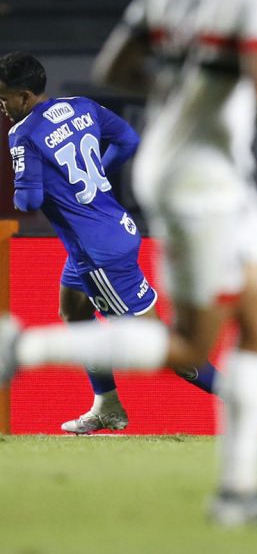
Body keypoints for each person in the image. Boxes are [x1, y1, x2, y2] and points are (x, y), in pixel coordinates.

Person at [1, 0, 257, 532]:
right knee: (188, 345)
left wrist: (181, 87)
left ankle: (236, 490)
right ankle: (22, 352)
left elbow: (114, 65)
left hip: (182, 168)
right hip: (203, 172)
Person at [0, 52, 219, 434]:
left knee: (166, 348)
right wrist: (93, 173)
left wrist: (25, 190)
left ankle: (238, 395)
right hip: (111, 226)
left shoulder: (22, 134)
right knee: (74, 309)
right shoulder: (81, 106)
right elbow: (128, 140)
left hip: (97, 253)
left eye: (3, 96)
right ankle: (107, 405)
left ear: (23, 95)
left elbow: (30, 202)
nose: (0, 105)